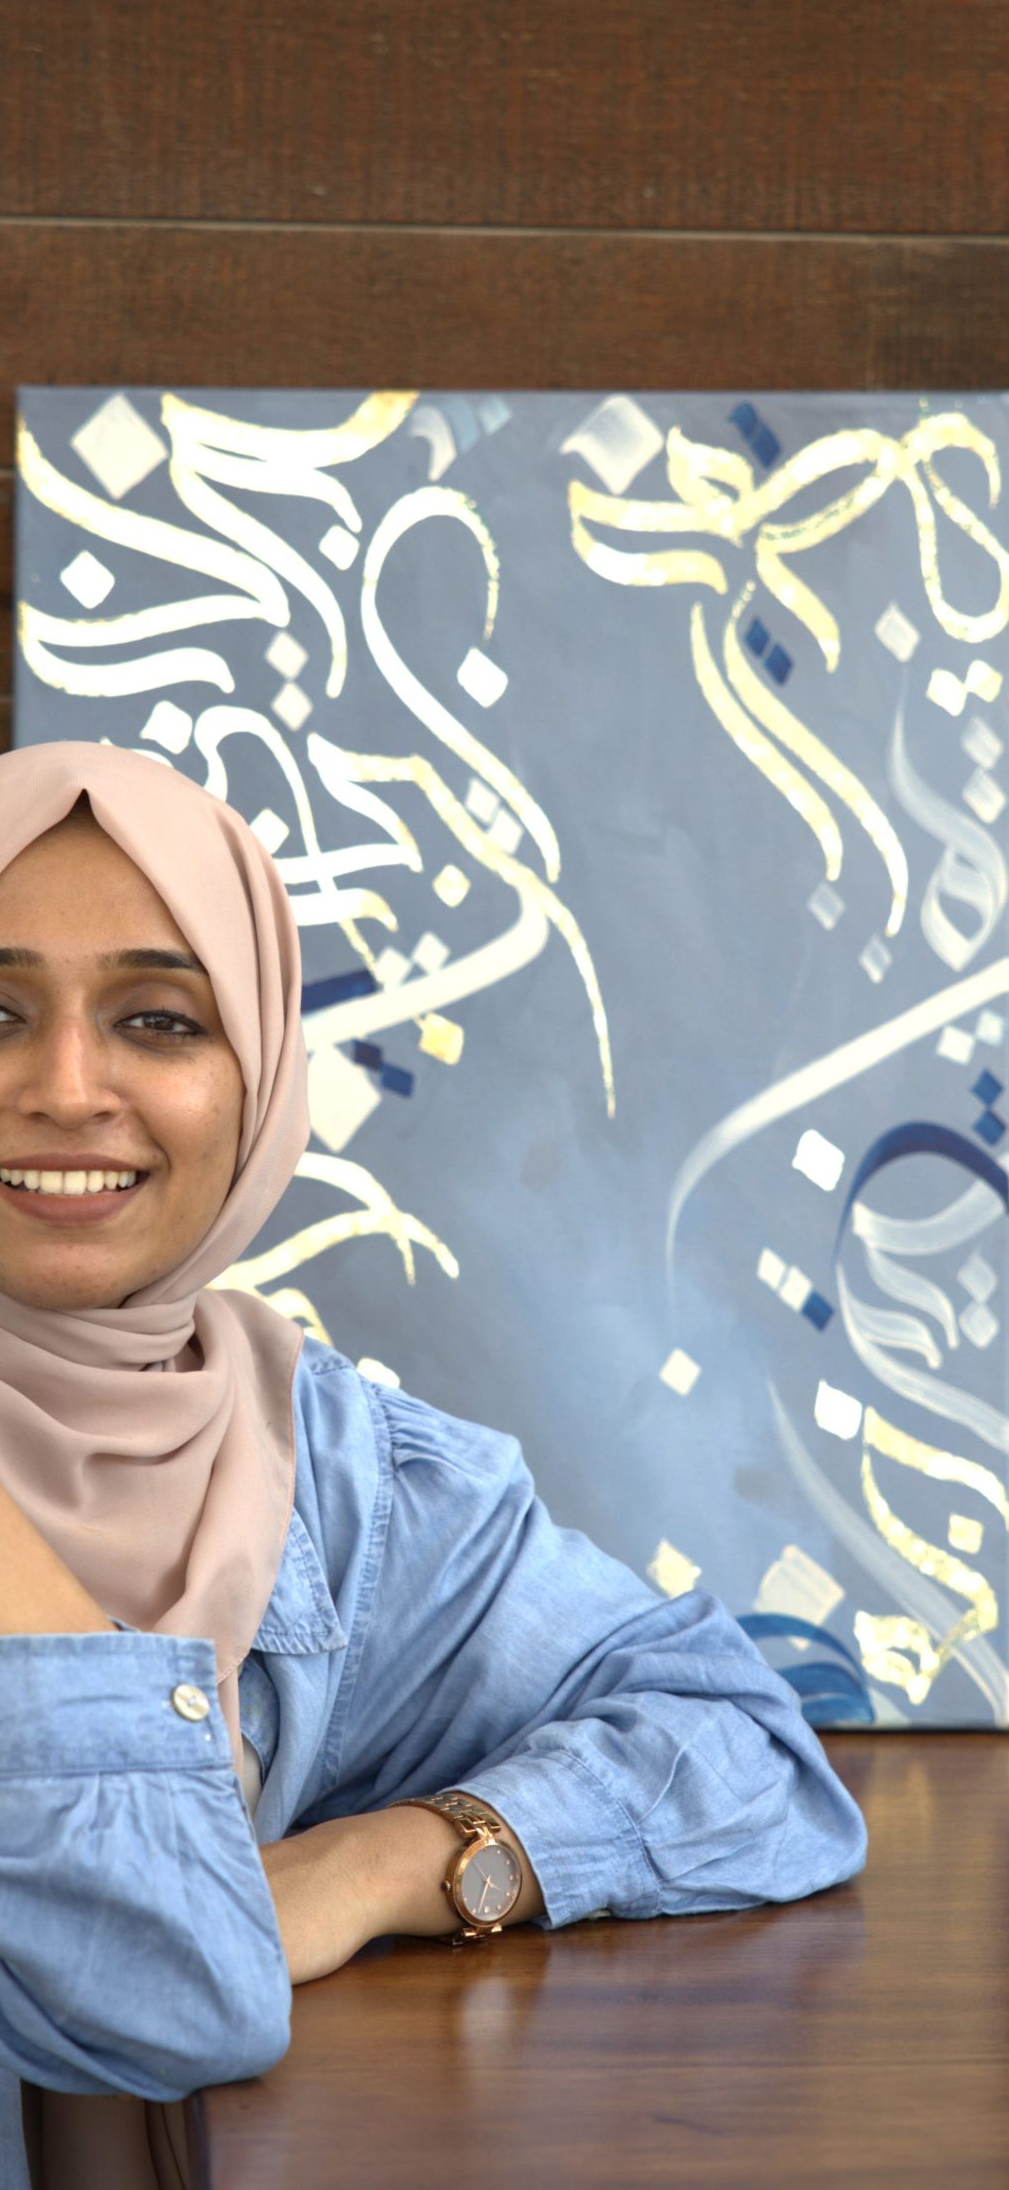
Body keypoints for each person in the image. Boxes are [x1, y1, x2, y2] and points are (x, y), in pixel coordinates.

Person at [0, 744, 868, 2190]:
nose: (65, 1087)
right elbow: (183, 1989)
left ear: (258, 1072)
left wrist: (376, 1867)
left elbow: (748, 1755)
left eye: (157, 1019)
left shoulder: (344, 1482)